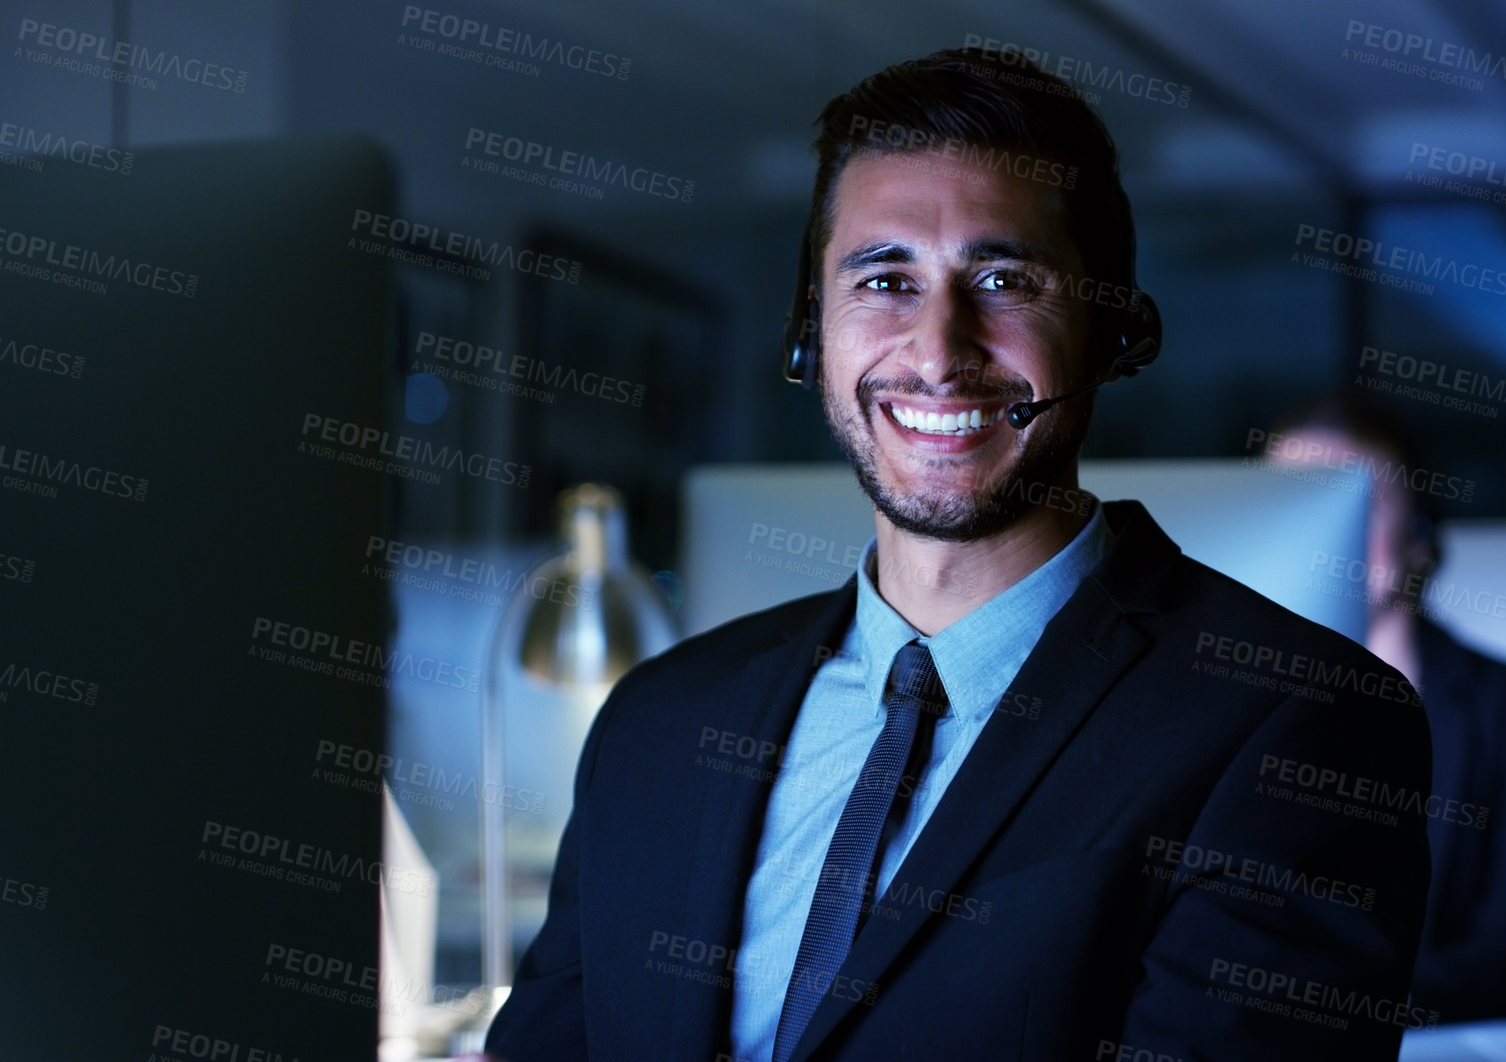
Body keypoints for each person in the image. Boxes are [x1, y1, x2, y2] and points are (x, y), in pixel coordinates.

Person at [486, 49, 1432, 1061]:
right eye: (885, 281)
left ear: (1115, 332)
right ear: (812, 337)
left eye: (1002, 279)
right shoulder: (660, 719)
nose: (938, 351)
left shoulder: (1304, 724)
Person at [1270, 394, 1506, 1021]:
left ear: (1420, 535)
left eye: (1357, 504)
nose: (1325, 535)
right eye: (1297, 506)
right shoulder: (1228, 707)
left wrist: (1337, 1005)